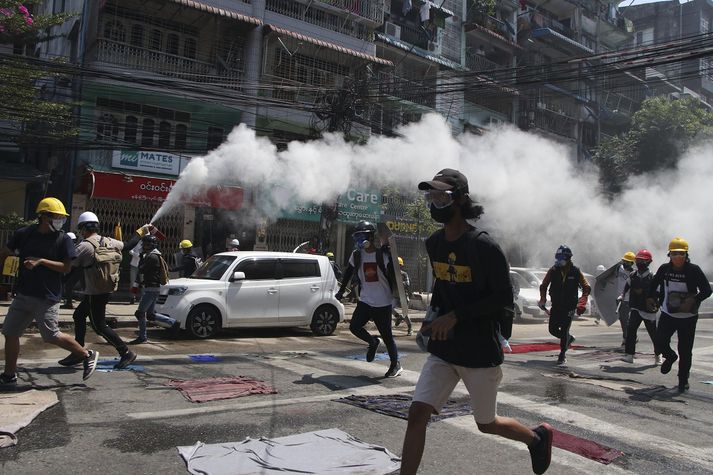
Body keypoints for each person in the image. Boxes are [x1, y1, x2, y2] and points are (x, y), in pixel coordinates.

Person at [401, 169, 553, 475]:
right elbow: (443, 290)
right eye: (430, 196)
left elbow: (502, 298)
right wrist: (432, 319)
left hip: (479, 351)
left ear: (459, 200)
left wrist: (456, 316)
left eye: (441, 196)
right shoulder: (434, 243)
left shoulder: (484, 246)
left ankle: (536, 438)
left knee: (486, 423)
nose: (433, 203)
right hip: (445, 349)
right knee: (417, 415)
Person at [0, 197, 99, 385]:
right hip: (23, 293)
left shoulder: (62, 239)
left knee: (51, 335)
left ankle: (87, 354)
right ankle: (9, 374)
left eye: (61, 217)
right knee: (10, 332)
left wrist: (41, 261)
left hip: (47, 296)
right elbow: (5, 251)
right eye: (56, 216)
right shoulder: (24, 234)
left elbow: (66, 267)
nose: (60, 220)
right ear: (43, 217)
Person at [57, 212, 137, 369]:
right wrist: (140, 234)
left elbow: (68, 267)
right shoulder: (110, 241)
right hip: (105, 288)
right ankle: (78, 351)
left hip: (94, 292)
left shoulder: (85, 246)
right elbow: (128, 246)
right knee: (78, 315)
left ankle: (125, 352)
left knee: (99, 326)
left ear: (82, 229)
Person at [335, 221, 402, 378]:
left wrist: (391, 253)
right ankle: (373, 342)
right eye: (356, 237)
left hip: (383, 303)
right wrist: (341, 290)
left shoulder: (382, 255)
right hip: (365, 300)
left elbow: (394, 274)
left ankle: (395, 365)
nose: (359, 240)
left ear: (371, 237)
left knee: (387, 336)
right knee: (354, 327)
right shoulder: (357, 255)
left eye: (362, 236)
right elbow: (348, 272)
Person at [648, 237, 711, 392]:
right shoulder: (664, 269)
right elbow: (653, 285)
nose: (677, 257)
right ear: (669, 254)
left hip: (688, 317)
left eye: (681, 254)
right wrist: (650, 298)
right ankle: (670, 356)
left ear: (686, 255)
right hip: (668, 314)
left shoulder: (694, 270)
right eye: (674, 253)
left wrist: (693, 300)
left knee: (685, 350)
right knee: (660, 341)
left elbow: (707, 290)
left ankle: (683, 381)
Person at [539, 245, 590, 366]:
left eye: (561, 257)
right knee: (552, 329)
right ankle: (568, 338)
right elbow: (544, 285)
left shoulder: (576, 271)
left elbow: (586, 287)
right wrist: (543, 298)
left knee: (565, 328)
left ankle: (562, 354)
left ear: (568, 258)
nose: (558, 260)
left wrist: (582, 303)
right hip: (556, 305)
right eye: (557, 257)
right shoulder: (553, 270)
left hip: (569, 307)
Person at [130, 234, 179, 344]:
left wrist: (140, 257)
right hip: (151, 287)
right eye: (144, 244)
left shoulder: (152, 257)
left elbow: (142, 269)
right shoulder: (152, 255)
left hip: (151, 288)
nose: (144, 246)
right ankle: (174, 323)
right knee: (151, 315)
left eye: (147, 244)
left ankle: (142, 337)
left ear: (151, 245)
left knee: (140, 313)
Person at [621, 249, 661, 365]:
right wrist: (622, 295)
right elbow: (626, 286)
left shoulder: (653, 277)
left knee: (654, 333)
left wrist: (653, 300)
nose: (640, 263)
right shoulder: (633, 275)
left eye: (643, 261)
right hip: (636, 308)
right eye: (638, 260)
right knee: (631, 330)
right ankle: (629, 355)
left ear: (649, 262)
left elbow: (658, 292)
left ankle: (658, 354)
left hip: (648, 310)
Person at [616, 251, 636, 346]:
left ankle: (628, 338)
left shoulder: (633, 273)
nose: (626, 263)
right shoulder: (618, 268)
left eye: (628, 262)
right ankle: (627, 336)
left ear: (632, 263)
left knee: (626, 319)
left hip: (627, 299)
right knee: (622, 319)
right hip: (619, 298)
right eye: (625, 261)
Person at [392, 256, 413, 336]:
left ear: (401, 266)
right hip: (395, 296)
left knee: (405, 314)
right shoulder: (391, 274)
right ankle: (398, 317)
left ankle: (410, 327)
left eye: (398, 265)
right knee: (389, 308)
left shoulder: (404, 274)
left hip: (403, 296)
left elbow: (407, 284)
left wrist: (400, 282)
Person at [60, 232, 81, 309]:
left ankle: (69, 303)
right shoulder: (71, 247)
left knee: (68, 286)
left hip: (77, 269)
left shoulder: (75, 248)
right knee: (65, 284)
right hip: (73, 269)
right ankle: (67, 301)